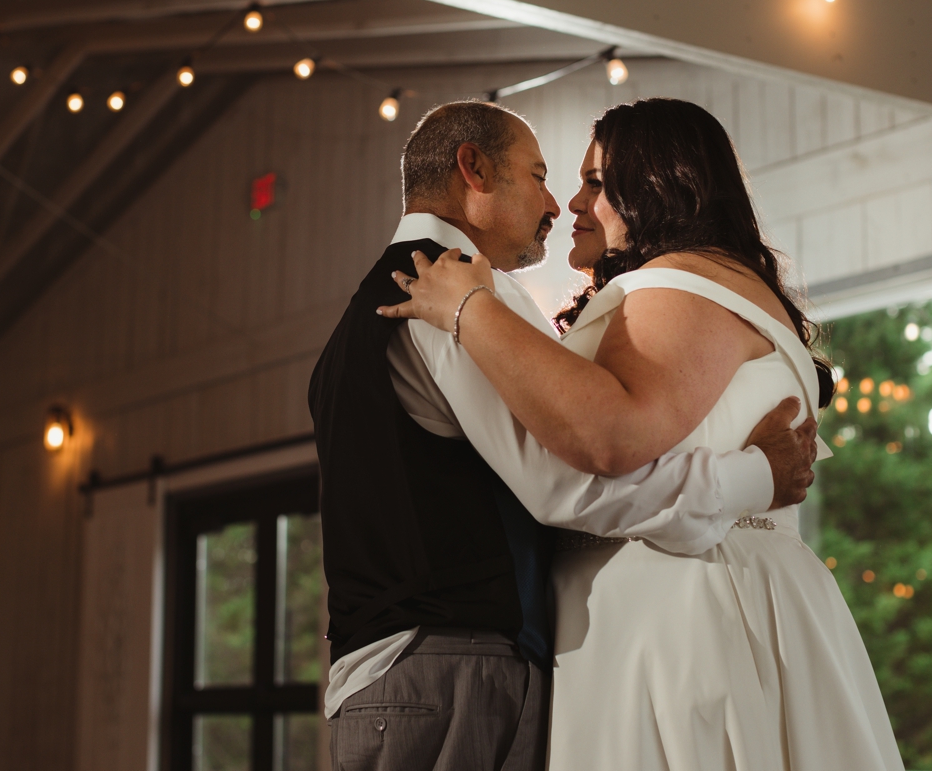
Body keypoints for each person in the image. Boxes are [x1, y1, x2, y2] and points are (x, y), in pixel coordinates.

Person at [378, 98, 904, 771]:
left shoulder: (684, 280)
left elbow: (609, 436)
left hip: (682, 609)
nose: (570, 201)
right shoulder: (691, 283)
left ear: (660, 184)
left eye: (596, 182)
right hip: (668, 599)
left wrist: (468, 308)